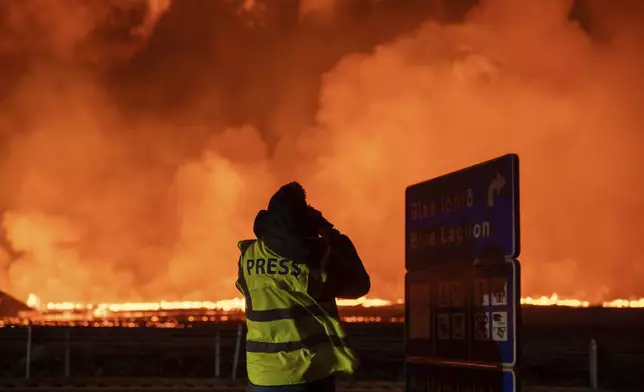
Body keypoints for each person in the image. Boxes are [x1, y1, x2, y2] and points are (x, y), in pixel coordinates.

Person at [235, 182, 371, 392]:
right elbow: (360, 284)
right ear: (303, 218)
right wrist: (329, 232)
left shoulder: (248, 256)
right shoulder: (315, 258)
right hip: (305, 374)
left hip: (261, 377)